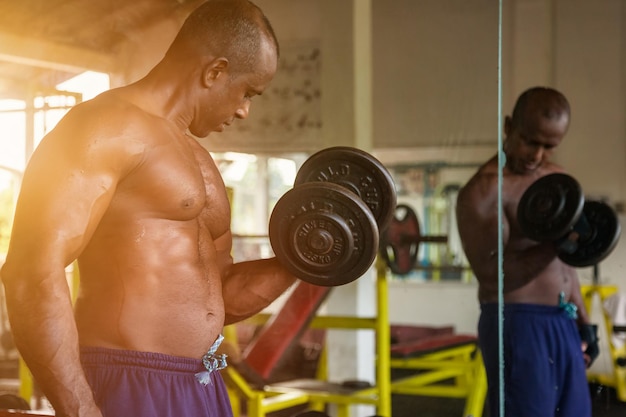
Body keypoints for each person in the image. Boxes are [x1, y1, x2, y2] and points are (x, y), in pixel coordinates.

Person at [0, 1, 298, 416]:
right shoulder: (103, 129)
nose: (245, 110)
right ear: (214, 71)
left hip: (204, 384)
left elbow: (222, 295)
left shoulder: (201, 162)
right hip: (127, 382)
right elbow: (32, 273)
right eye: (247, 92)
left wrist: (308, 259)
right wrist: (81, 409)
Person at [456, 87, 595, 417]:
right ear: (508, 127)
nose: (537, 154)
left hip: (563, 319)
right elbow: (493, 278)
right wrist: (556, 244)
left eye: (549, 146)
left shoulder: (557, 180)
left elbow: (567, 264)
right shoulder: (484, 192)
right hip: (517, 322)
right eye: (530, 140)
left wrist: (584, 320)